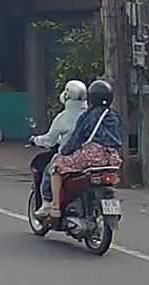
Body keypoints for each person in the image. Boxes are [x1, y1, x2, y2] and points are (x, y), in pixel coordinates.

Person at [40, 79, 123, 219]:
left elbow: (77, 138)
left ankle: (55, 208)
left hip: (92, 157)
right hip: (112, 158)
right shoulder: (114, 116)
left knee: (56, 165)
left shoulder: (88, 116)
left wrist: (65, 152)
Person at [33, 80, 88, 217]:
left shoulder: (64, 117)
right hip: (89, 158)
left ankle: (48, 203)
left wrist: (35, 140)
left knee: (49, 170)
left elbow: (50, 140)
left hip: (70, 157)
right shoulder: (91, 115)